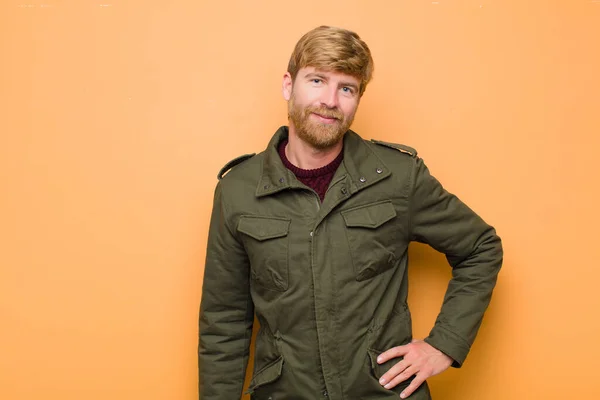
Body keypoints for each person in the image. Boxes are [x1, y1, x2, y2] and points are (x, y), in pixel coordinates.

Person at [198, 25, 503, 400]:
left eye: (347, 88)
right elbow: (223, 322)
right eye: (317, 80)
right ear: (288, 85)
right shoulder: (238, 190)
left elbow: (480, 247)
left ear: (358, 98)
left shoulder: (399, 178)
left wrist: (445, 344)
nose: (330, 100)